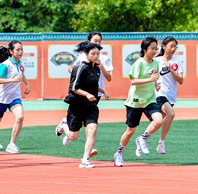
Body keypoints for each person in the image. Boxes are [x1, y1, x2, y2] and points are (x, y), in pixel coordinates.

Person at [113, 36, 162, 167]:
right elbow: (133, 81)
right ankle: (119, 153)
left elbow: (155, 78)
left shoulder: (155, 63)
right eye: (152, 48)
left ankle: (142, 138)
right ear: (145, 49)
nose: (154, 51)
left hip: (149, 99)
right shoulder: (139, 63)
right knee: (130, 131)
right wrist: (150, 80)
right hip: (135, 101)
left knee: (158, 120)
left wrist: (156, 84)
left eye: (156, 48)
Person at [56, 42, 102, 168]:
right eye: (93, 54)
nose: (96, 56)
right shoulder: (81, 68)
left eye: (98, 53)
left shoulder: (97, 69)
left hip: (91, 106)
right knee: (73, 136)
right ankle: (63, 124)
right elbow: (74, 88)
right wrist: (87, 94)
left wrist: (104, 92)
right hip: (77, 106)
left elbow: (94, 86)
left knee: (92, 130)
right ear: (86, 54)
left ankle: (85, 160)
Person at [0, 41, 31, 154]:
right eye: (17, 50)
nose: (20, 52)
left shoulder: (21, 64)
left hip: (14, 97)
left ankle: (11, 144)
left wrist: (27, 84)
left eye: (21, 49)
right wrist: (12, 80)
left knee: (20, 117)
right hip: (2, 99)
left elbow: (21, 75)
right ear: (11, 51)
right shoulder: (5, 65)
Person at [154, 36, 184, 154]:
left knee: (158, 122)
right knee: (171, 114)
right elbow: (151, 76)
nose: (173, 49)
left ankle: (142, 138)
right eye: (171, 46)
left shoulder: (177, 61)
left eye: (175, 47)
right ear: (163, 47)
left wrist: (171, 70)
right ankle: (161, 142)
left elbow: (181, 80)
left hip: (171, 95)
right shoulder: (156, 61)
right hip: (159, 94)